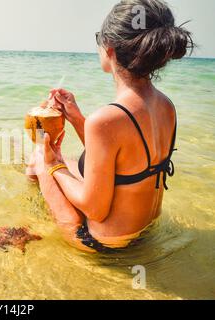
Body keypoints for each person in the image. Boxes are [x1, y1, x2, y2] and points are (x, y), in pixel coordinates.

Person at [27, 0, 194, 253]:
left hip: (102, 243)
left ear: (110, 48)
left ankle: (27, 214)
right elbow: (124, 157)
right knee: (71, 162)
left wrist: (52, 163)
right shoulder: (165, 105)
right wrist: (75, 117)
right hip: (145, 230)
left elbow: (94, 209)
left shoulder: (106, 120)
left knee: (38, 158)